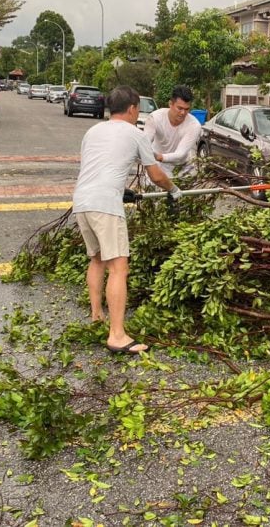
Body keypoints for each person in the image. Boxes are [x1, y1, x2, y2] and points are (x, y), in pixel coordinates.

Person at [72, 85, 181, 355]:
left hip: (83, 201)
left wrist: (122, 192)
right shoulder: (135, 133)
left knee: (97, 259)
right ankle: (117, 335)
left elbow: (99, 166)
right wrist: (174, 190)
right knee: (119, 267)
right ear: (133, 108)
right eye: (138, 110)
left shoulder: (92, 131)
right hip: (105, 205)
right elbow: (156, 176)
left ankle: (97, 315)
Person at [144, 84, 202, 178]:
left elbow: (180, 154)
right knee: (153, 190)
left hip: (182, 167)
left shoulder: (194, 125)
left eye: (186, 109)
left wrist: (159, 156)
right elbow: (145, 143)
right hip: (157, 164)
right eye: (179, 108)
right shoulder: (154, 118)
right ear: (170, 104)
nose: (183, 113)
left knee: (183, 190)